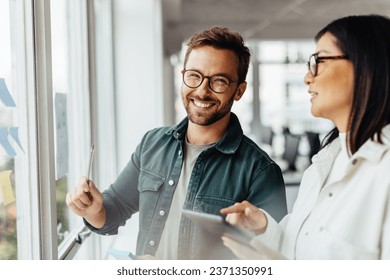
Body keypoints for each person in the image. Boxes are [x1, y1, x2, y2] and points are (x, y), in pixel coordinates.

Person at [66, 26, 287, 260]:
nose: (202, 91)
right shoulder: (152, 144)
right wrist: (93, 210)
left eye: (219, 81)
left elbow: (273, 259)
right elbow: (113, 211)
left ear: (239, 91)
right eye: (194, 76)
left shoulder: (260, 171)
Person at [220, 14, 390, 260]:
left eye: (319, 61)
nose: (307, 77)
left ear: (366, 67)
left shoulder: (383, 170)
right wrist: (263, 228)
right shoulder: (324, 163)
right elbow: (299, 248)